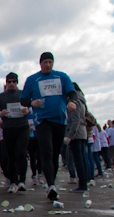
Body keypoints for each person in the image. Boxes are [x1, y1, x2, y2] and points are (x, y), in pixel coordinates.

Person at [20, 52, 77, 201]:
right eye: (45, 62)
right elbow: (23, 99)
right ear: (40, 64)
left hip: (59, 120)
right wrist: (32, 103)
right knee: (47, 151)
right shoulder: (33, 79)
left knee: (55, 153)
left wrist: (72, 102)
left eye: (50, 62)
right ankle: (51, 185)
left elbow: (72, 92)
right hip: (42, 121)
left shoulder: (62, 77)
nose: (48, 65)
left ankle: (52, 180)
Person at [0, 72, 31, 193]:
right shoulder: (0, 97)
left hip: (22, 127)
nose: (12, 84)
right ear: (6, 83)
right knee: (10, 156)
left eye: (14, 81)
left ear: (17, 82)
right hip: (8, 128)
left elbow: (33, 106)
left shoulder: (23, 94)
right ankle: (13, 181)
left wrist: (28, 110)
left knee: (21, 153)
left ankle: (22, 181)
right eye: (9, 82)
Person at [63, 83, 89, 193]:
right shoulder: (82, 100)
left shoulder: (75, 101)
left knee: (78, 160)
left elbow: (75, 119)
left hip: (76, 134)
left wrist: (70, 136)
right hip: (82, 133)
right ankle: (84, 181)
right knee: (82, 159)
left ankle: (82, 184)